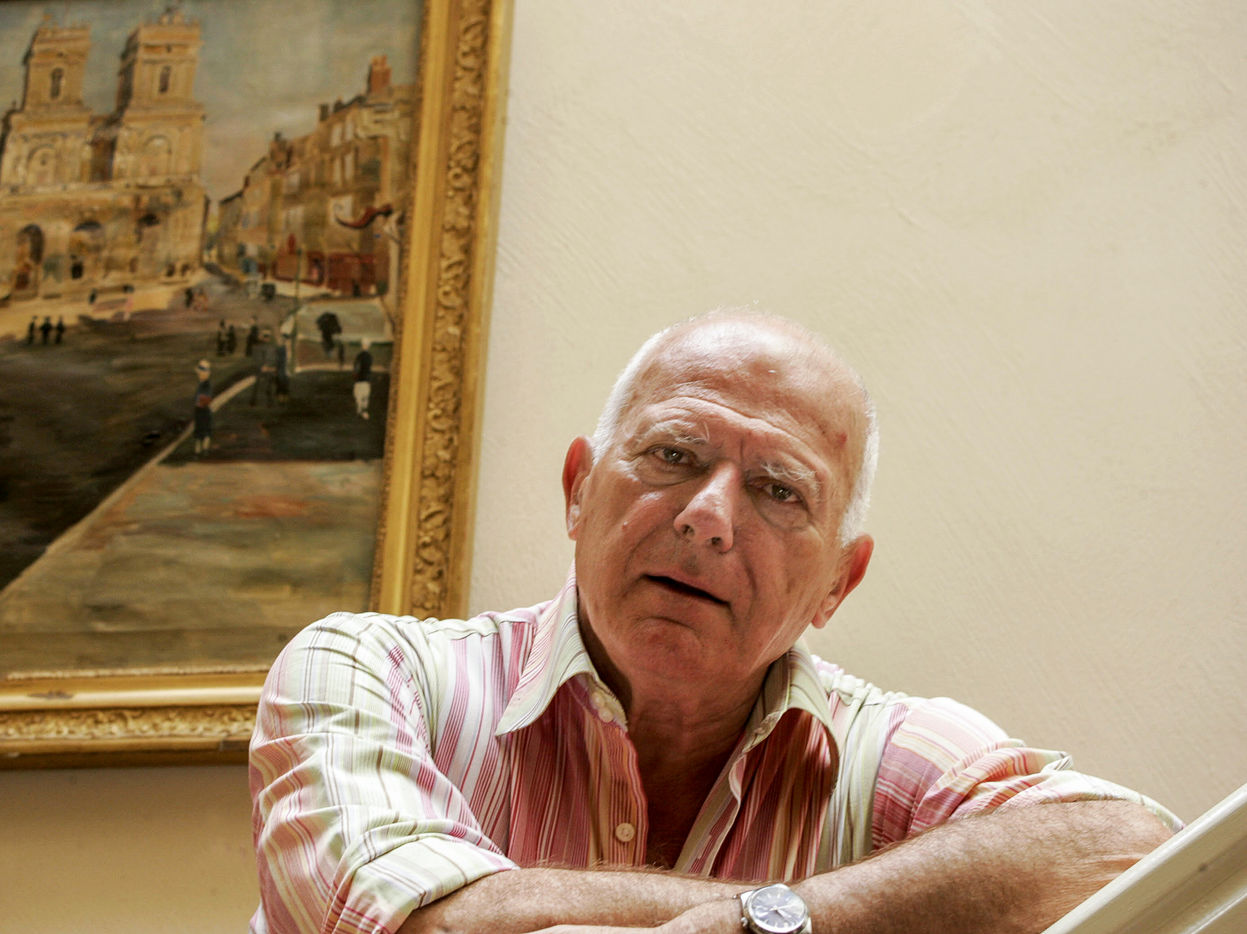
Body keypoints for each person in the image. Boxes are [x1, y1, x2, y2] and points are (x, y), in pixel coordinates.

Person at [248, 308, 1178, 934]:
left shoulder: (888, 755)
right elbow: (430, 926)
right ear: (577, 491)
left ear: (837, 584)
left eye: (778, 490)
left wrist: (777, 920)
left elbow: (1134, 855)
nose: (708, 518)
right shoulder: (370, 672)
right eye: (672, 454)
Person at [193, 359, 213, 456]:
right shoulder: (202, 384)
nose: (199, 375)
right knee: (201, 429)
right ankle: (201, 449)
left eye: (201, 373)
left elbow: (206, 399)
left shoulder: (206, 385)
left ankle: (203, 449)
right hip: (201, 409)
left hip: (202, 409)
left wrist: (199, 403)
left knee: (203, 429)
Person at [351, 338, 374, 419]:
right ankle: (364, 412)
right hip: (366, 379)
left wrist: (355, 376)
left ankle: (359, 411)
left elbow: (356, 367)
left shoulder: (359, 356)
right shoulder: (369, 357)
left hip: (359, 379)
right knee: (365, 396)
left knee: (358, 396)